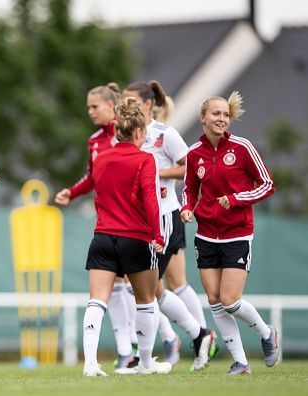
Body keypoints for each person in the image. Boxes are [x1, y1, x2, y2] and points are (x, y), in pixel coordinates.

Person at [181, 91, 279, 375]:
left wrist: (236, 199)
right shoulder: (193, 154)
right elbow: (189, 188)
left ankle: (265, 333)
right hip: (206, 235)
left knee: (230, 300)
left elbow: (267, 184)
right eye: (216, 114)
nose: (222, 118)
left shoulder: (243, 147)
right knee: (214, 299)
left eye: (225, 114)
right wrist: (187, 208)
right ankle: (241, 362)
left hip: (237, 233)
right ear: (203, 118)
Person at [123, 81, 215, 370]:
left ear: (149, 104)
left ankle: (153, 353)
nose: (126, 106)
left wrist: (154, 172)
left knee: (150, 289)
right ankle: (199, 336)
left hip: (164, 217)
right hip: (139, 220)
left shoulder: (165, 134)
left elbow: (190, 167)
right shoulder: (125, 134)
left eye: (132, 101)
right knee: (157, 288)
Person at [82, 97, 172, 376]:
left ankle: (89, 364)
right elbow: (150, 200)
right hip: (136, 239)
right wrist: (158, 235)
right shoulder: (145, 159)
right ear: (137, 133)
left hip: (103, 238)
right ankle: (145, 363)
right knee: (146, 301)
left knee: (97, 300)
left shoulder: (101, 159)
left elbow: (101, 196)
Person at [54, 83, 136, 369]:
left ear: (112, 106)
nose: (90, 112)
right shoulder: (95, 141)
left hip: (135, 225)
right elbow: (91, 177)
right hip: (109, 224)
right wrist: (72, 192)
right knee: (114, 288)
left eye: (94, 106)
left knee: (150, 292)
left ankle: (171, 341)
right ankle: (129, 353)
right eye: (88, 107)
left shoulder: (132, 134)